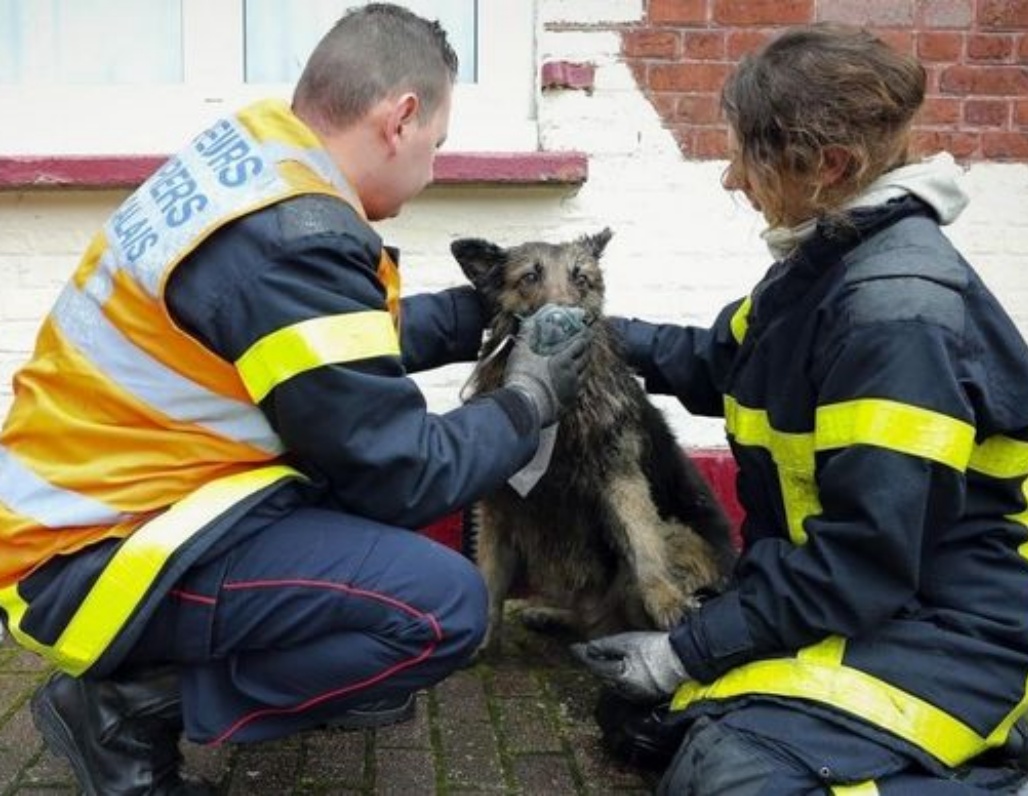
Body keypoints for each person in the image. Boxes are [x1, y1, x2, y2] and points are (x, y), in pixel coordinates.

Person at [0, 4, 589, 794]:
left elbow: (317, 357)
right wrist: (529, 399)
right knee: (443, 608)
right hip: (98, 564)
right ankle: (126, 711)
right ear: (400, 118)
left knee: (353, 511)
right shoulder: (296, 240)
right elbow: (404, 474)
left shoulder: (258, 164)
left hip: (99, 511)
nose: (435, 171)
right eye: (438, 146)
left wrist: (475, 310)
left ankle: (232, 677)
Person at [574, 23, 1028, 795]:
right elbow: (717, 360)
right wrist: (587, 336)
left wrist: (686, 651)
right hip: (866, 600)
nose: (732, 178)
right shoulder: (830, 258)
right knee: (643, 728)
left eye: (747, 154)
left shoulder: (896, 319)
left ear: (831, 167)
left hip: (952, 630)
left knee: (732, 780)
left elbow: (862, 562)